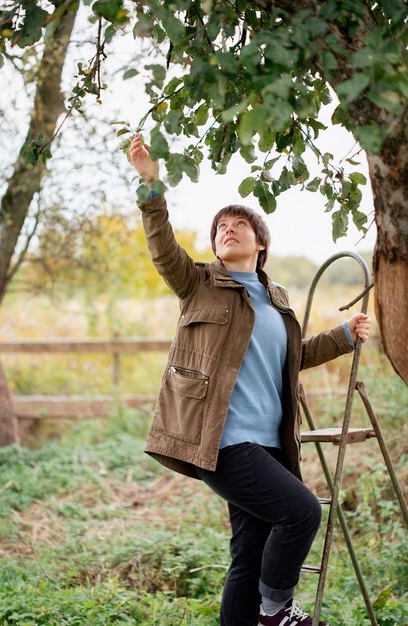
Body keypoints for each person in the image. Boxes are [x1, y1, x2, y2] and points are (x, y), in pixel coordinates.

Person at [128, 134, 371, 626]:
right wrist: (152, 187)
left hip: (270, 446)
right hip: (220, 442)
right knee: (302, 512)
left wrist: (344, 335)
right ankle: (277, 607)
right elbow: (161, 248)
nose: (229, 229)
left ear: (261, 244)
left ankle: (256, 612)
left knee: (247, 558)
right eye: (222, 226)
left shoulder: (277, 302)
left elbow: (291, 358)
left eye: (241, 225)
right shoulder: (198, 284)